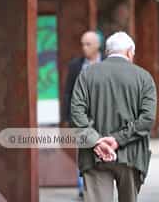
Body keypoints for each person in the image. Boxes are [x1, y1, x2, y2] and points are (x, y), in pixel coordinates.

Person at [70, 31, 157, 202]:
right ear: (129, 52)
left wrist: (96, 141)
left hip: (94, 156)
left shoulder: (86, 75)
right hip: (131, 156)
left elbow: (76, 112)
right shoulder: (144, 78)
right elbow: (147, 119)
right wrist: (117, 140)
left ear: (108, 52)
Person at [62, 31, 104, 198]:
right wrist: (67, 117)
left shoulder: (106, 64)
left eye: (89, 44)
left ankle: (101, 185)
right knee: (83, 152)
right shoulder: (76, 65)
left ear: (98, 45)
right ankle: (83, 186)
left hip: (103, 116)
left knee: (101, 150)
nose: (85, 48)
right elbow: (68, 92)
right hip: (82, 118)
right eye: (83, 44)